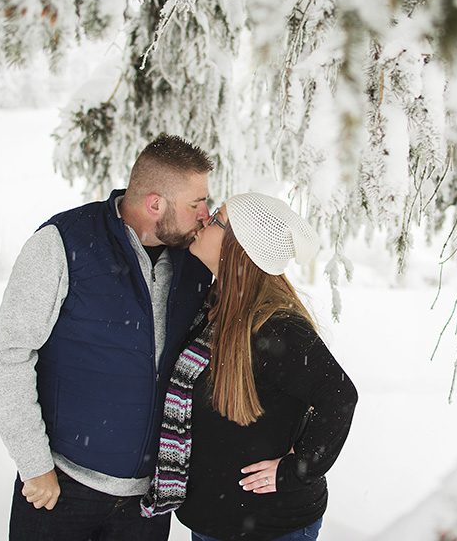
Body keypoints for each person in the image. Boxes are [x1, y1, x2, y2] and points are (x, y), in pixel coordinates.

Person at [0, 134, 215, 541]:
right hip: (60, 489)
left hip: (146, 504)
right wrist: (34, 464)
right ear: (155, 204)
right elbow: (10, 353)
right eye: (196, 204)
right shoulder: (64, 242)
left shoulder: (196, 263)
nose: (205, 215)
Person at [141, 193, 358, 541]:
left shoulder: (276, 327)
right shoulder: (215, 308)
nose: (204, 221)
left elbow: (339, 396)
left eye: (216, 219)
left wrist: (296, 471)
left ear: (240, 246)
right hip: (216, 522)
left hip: (270, 527)